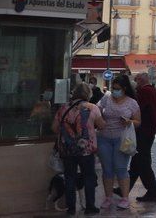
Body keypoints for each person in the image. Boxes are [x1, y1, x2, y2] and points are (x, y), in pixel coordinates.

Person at [52, 83, 105, 215]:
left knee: (70, 177)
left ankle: (71, 208)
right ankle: (90, 207)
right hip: (86, 150)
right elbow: (102, 125)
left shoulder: (63, 108)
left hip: (67, 149)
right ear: (88, 94)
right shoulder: (93, 108)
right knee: (89, 177)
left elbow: (54, 128)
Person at [96, 75, 140, 211]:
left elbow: (138, 122)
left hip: (122, 140)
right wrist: (100, 121)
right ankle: (108, 197)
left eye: (117, 89)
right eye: (113, 88)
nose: (114, 91)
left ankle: (125, 198)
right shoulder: (106, 99)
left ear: (124, 89)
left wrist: (129, 122)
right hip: (104, 138)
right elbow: (98, 112)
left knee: (121, 168)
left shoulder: (132, 103)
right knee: (107, 169)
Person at [127, 72, 156, 202]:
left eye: (136, 80)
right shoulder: (151, 90)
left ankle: (152, 191)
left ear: (140, 80)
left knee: (142, 161)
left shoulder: (144, 91)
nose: (136, 83)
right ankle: (126, 187)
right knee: (137, 161)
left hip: (144, 130)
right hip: (148, 130)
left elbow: (137, 109)